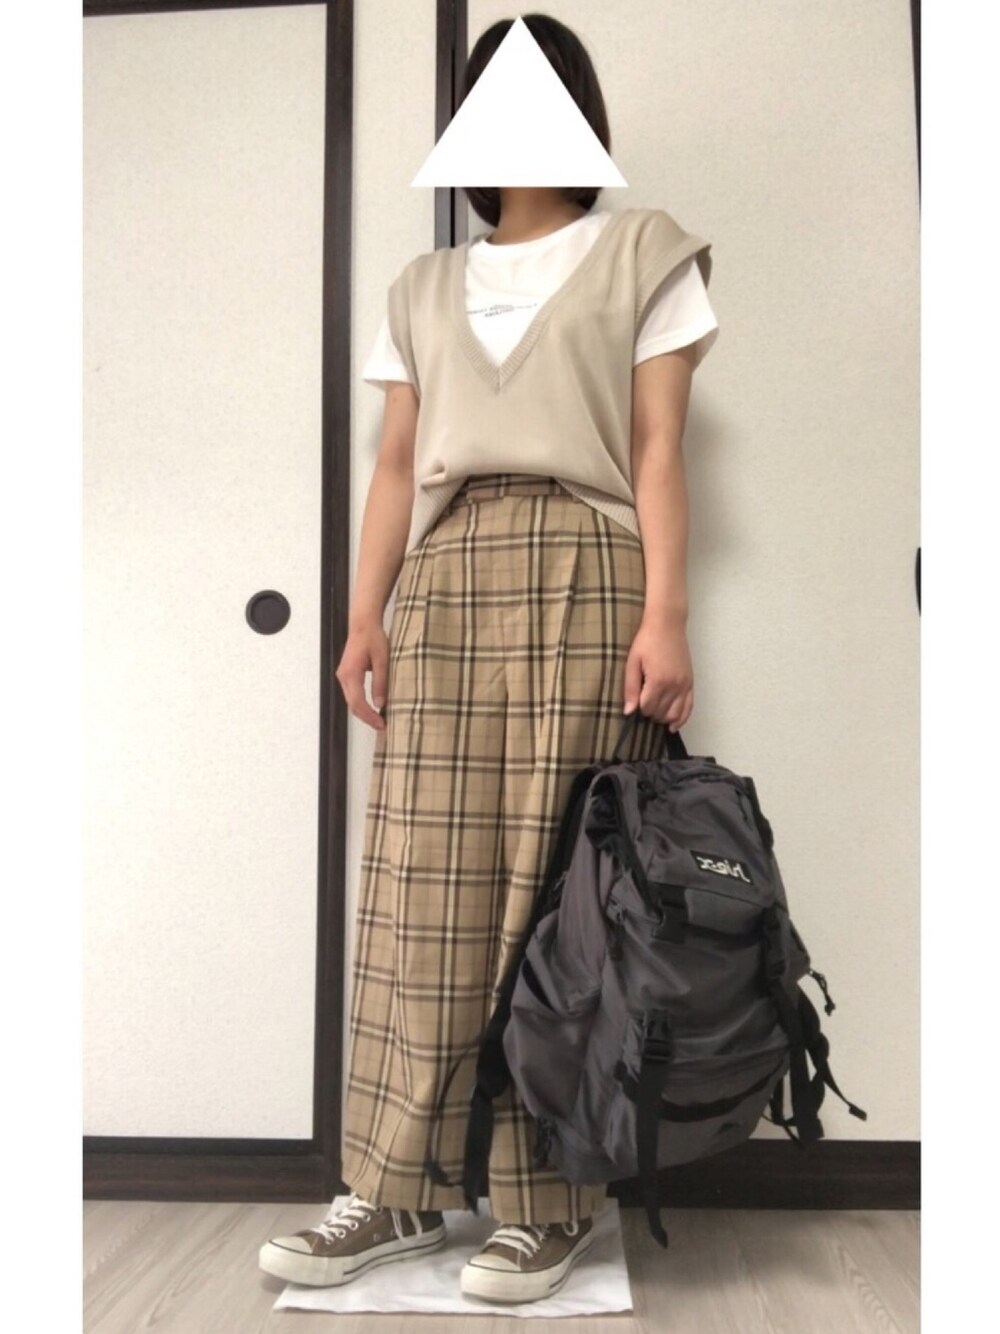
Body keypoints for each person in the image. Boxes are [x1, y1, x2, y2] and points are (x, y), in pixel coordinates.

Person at [259, 13, 718, 1306]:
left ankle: (547, 1203)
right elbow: (396, 466)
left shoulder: (644, 250)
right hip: (450, 574)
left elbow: (660, 448)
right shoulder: (421, 286)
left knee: (559, 892)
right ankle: (394, 1185)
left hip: (589, 566)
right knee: (420, 892)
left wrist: (669, 614)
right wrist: (364, 617)